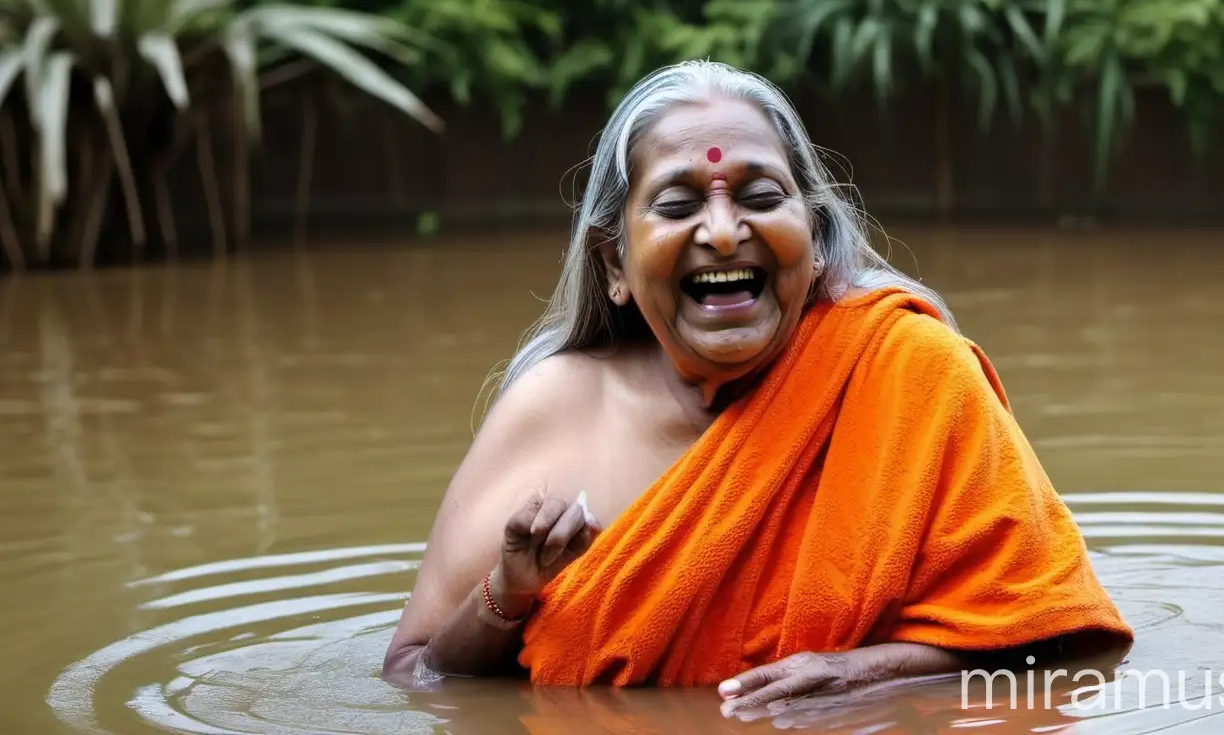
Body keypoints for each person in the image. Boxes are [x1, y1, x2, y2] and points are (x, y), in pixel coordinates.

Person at [382, 60, 1133, 717]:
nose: (721, 230)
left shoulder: (911, 373)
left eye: (760, 196)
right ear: (614, 263)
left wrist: (867, 677)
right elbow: (415, 677)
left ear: (812, 232)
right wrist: (506, 595)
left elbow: (1068, 645)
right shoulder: (554, 410)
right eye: (678, 206)